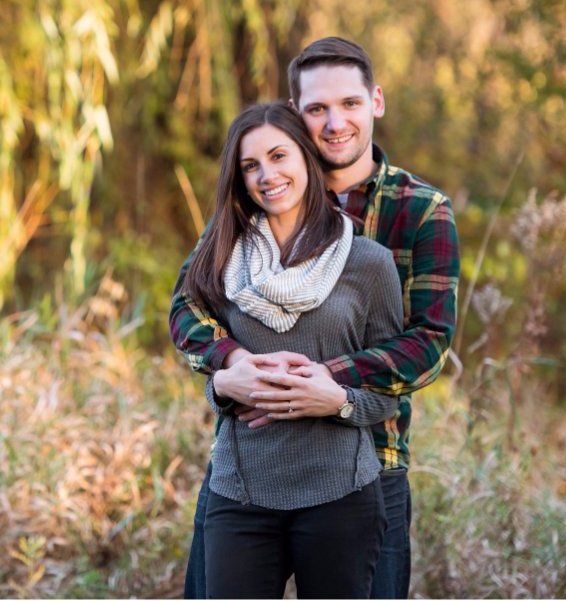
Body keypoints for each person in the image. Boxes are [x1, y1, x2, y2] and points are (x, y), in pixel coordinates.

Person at [171, 37, 460, 599]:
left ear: (375, 102)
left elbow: (428, 344)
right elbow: (188, 305)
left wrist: (328, 382)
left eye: (349, 104)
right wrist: (229, 366)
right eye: (317, 109)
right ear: (296, 116)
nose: (334, 123)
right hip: (254, 461)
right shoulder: (260, 198)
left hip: (371, 459)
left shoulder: (419, 209)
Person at [184, 101, 403, 599]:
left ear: (306, 158)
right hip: (239, 491)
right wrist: (222, 382)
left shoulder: (368, 263)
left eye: (279, 156)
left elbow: (388, 392)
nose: (267, 175)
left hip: (340, 493)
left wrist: (339, 401)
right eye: (250, 166)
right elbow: (200, 353)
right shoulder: (222, 256)